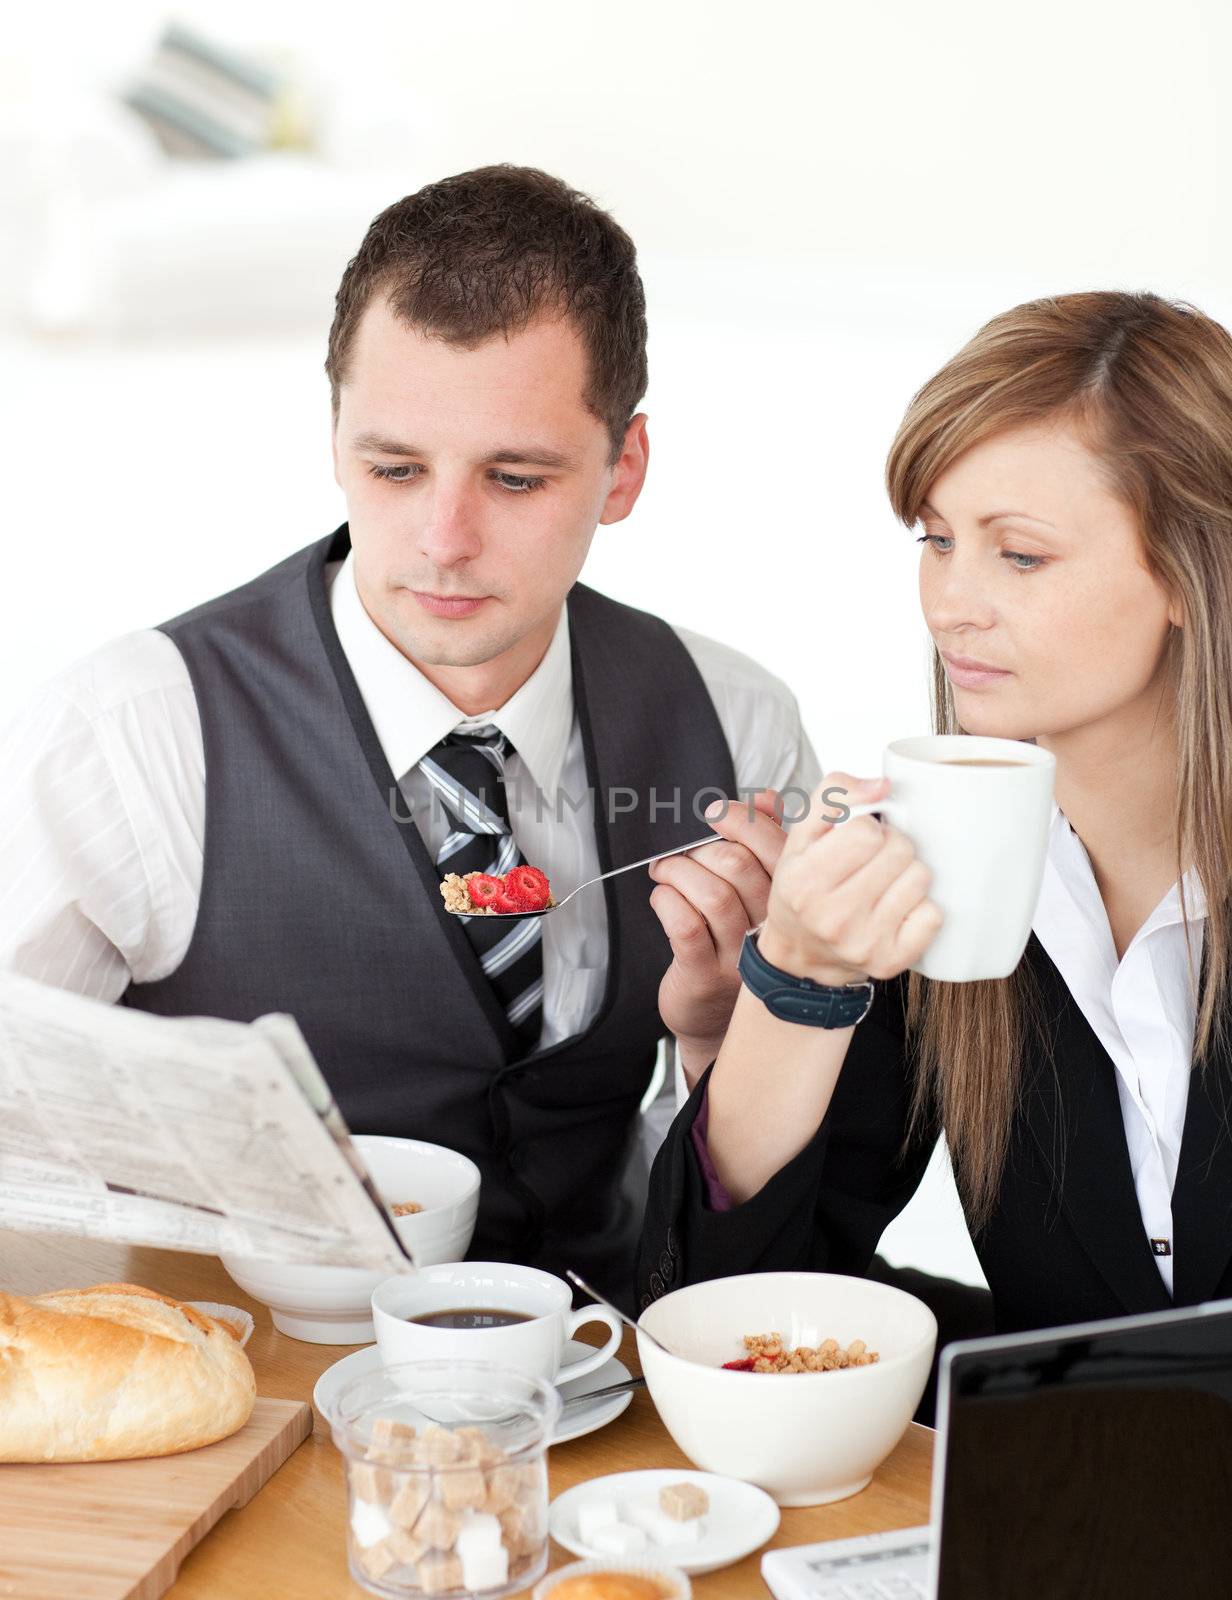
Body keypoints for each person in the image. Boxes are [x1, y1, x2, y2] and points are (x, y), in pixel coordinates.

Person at [0, 165, 815, 1303]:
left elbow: (754, 1198)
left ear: (621, 470)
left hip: (606, 1381)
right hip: (252, 1385)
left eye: (515, 477)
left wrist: (722, 1040)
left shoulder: (738, 727)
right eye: (391, 468)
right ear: (333, 436)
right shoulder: (131, 734)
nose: (442, 538)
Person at [640, 290, 1232, 1350]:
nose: (949, 603)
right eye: (936, 539)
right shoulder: (937, 872)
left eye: (1018, 554)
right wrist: (795, 978)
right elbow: (735, 1320)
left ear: (1191, 569)